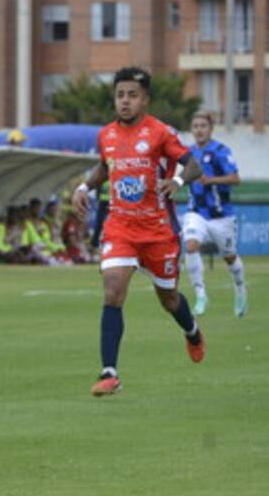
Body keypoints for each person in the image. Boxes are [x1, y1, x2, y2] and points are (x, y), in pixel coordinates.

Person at [72, 66, 205, 397]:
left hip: (158, 231)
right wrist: (84, 187)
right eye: (120, 95)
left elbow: (193, 165)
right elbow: (105, 167)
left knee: (169, 298)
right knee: (113, 290)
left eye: (132, 95)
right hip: (120, 227)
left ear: (145, 99)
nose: (125, 101)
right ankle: (109, 372)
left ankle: (191, 331)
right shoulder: (106, 135)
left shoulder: (161, 133)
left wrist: (176, 180)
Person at [182, 112, 246, 317]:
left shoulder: (220, 151)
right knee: (190, 246)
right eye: (195, 126)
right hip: (196, 213)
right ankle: (201, 295)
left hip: (221, 216)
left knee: (229, 257)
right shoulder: (188, 153)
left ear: (210, 129)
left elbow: (236, 179)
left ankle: (240, 288)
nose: (199, 130)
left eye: (203, 126)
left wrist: (212, 181)